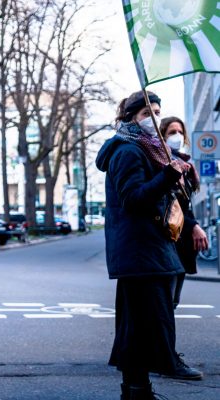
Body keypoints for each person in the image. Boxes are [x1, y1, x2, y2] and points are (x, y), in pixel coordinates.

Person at [96, 90, 188, 399]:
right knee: (140, 327)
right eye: (147, 113)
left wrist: (172, 175)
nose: (155, 119)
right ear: (130, 118)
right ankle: (137, 391)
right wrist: (166, 177)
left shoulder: (148, 150)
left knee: (139, 328)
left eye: (158, 112)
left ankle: (138, 390)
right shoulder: (129, 151)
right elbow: (132, 199)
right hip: (140, 254)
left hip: (146, 253)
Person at [159, 116, 206, 380]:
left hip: (180, 242)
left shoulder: (186, 165)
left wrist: (192, 225)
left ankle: (163, 355)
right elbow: (170, 206)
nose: (176, 135)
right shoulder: (164, 163)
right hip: (169, 242)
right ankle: (166, 359)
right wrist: (194, 226)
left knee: (170, 303)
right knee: (165, 304)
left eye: (179, 131)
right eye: (171, 131)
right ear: (162, 135)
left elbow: (184, 207)